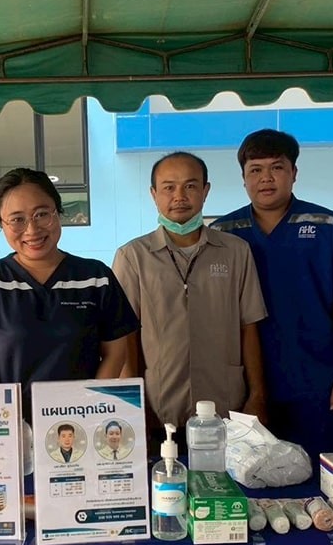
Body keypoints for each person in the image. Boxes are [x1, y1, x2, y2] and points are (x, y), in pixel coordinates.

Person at [212, 130, 333, 462]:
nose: (266, 178)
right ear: (243, 178)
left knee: (324, 475)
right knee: (249, 477)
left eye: (277, 167)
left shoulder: (328, 226)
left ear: (294, 173)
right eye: (255, 170)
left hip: (317, 384)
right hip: (243, 386)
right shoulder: (223, 234)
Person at [0, 168, 138, 419]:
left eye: (41, 214)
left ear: (58, 212)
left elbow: (115, 353)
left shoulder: (96, 277)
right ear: (1, 223)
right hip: (11, 424)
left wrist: (90, 409)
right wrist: (7, 419)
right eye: (17, 219)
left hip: (81, 422)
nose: (32, 229)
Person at [113, 151, 268, 436]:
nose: (179, 196)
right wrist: (134, 407)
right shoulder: (133, 257)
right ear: (154, 194)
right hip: (159, 410)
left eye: (190, 186)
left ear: (205, 191)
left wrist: (257, 394)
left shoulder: (235, 251)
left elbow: (249, 326)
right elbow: (125, 338)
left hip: (225, 408)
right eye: (168, 187)